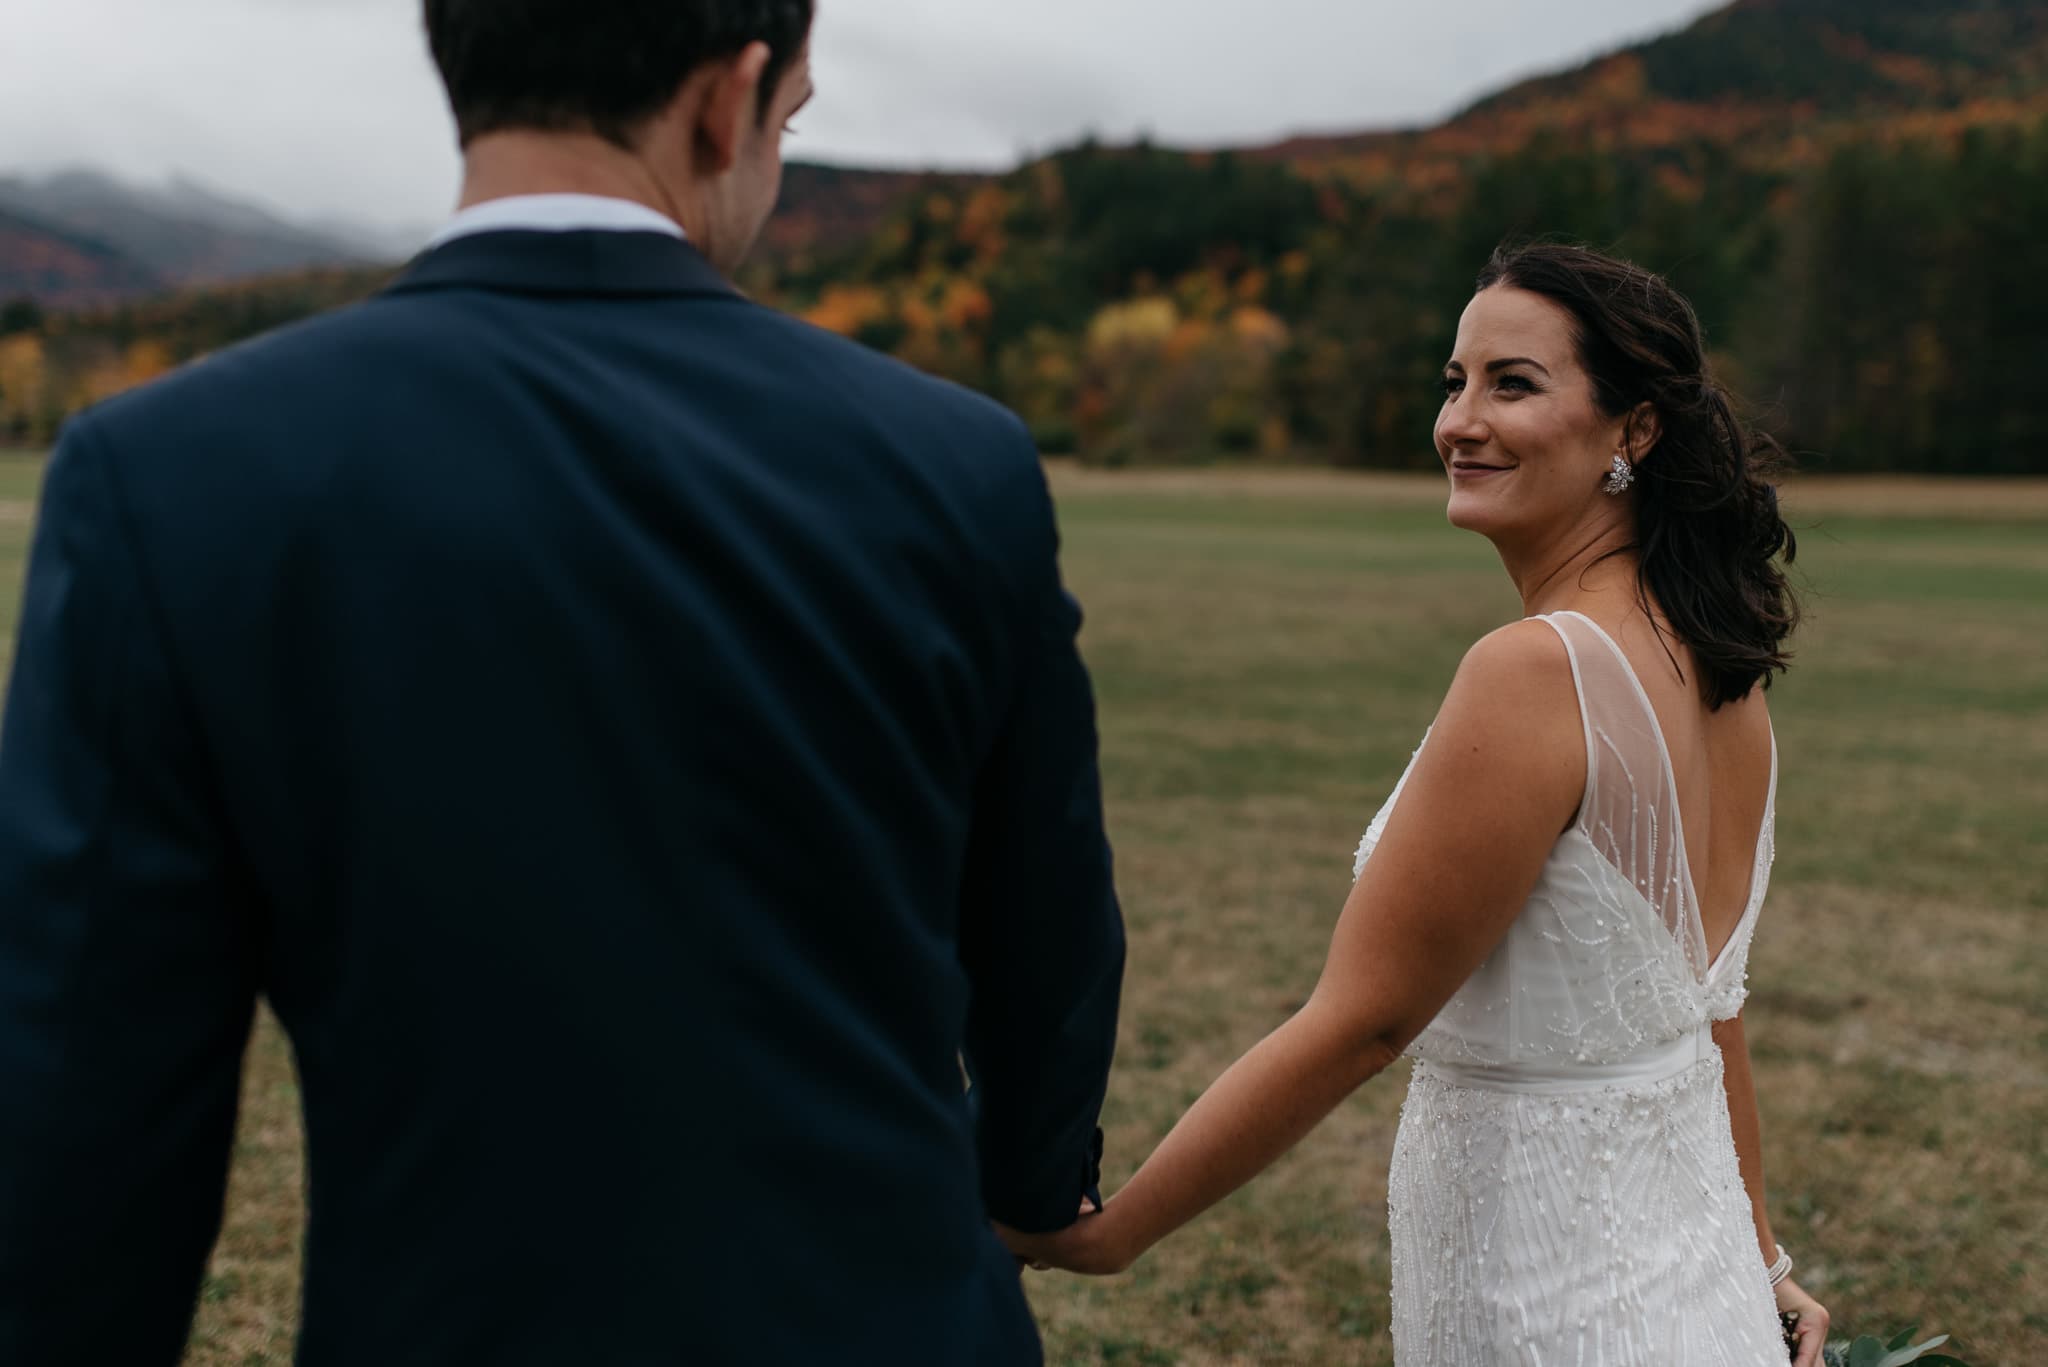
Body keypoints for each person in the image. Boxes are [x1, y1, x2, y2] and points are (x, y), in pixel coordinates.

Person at [0, 2, 1124, 1362]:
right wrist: (1031, 1166)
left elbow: (84, 1093)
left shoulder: (169, 474)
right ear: (733, 99)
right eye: (796, 118)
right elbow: (1046, 927)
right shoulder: (959, 466)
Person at [1002, 243, 1832, 1367]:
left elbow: (1364, 1019)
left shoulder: (1536, 669)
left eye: (1513, 383)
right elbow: (1706, 1009)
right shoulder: (1721, 673)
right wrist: (1763, 1262)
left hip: (1551, 1300)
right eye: (1454, 381)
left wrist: (1113, 1232)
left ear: (1633, 430)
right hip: (1698, 1291)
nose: (1459, 420)